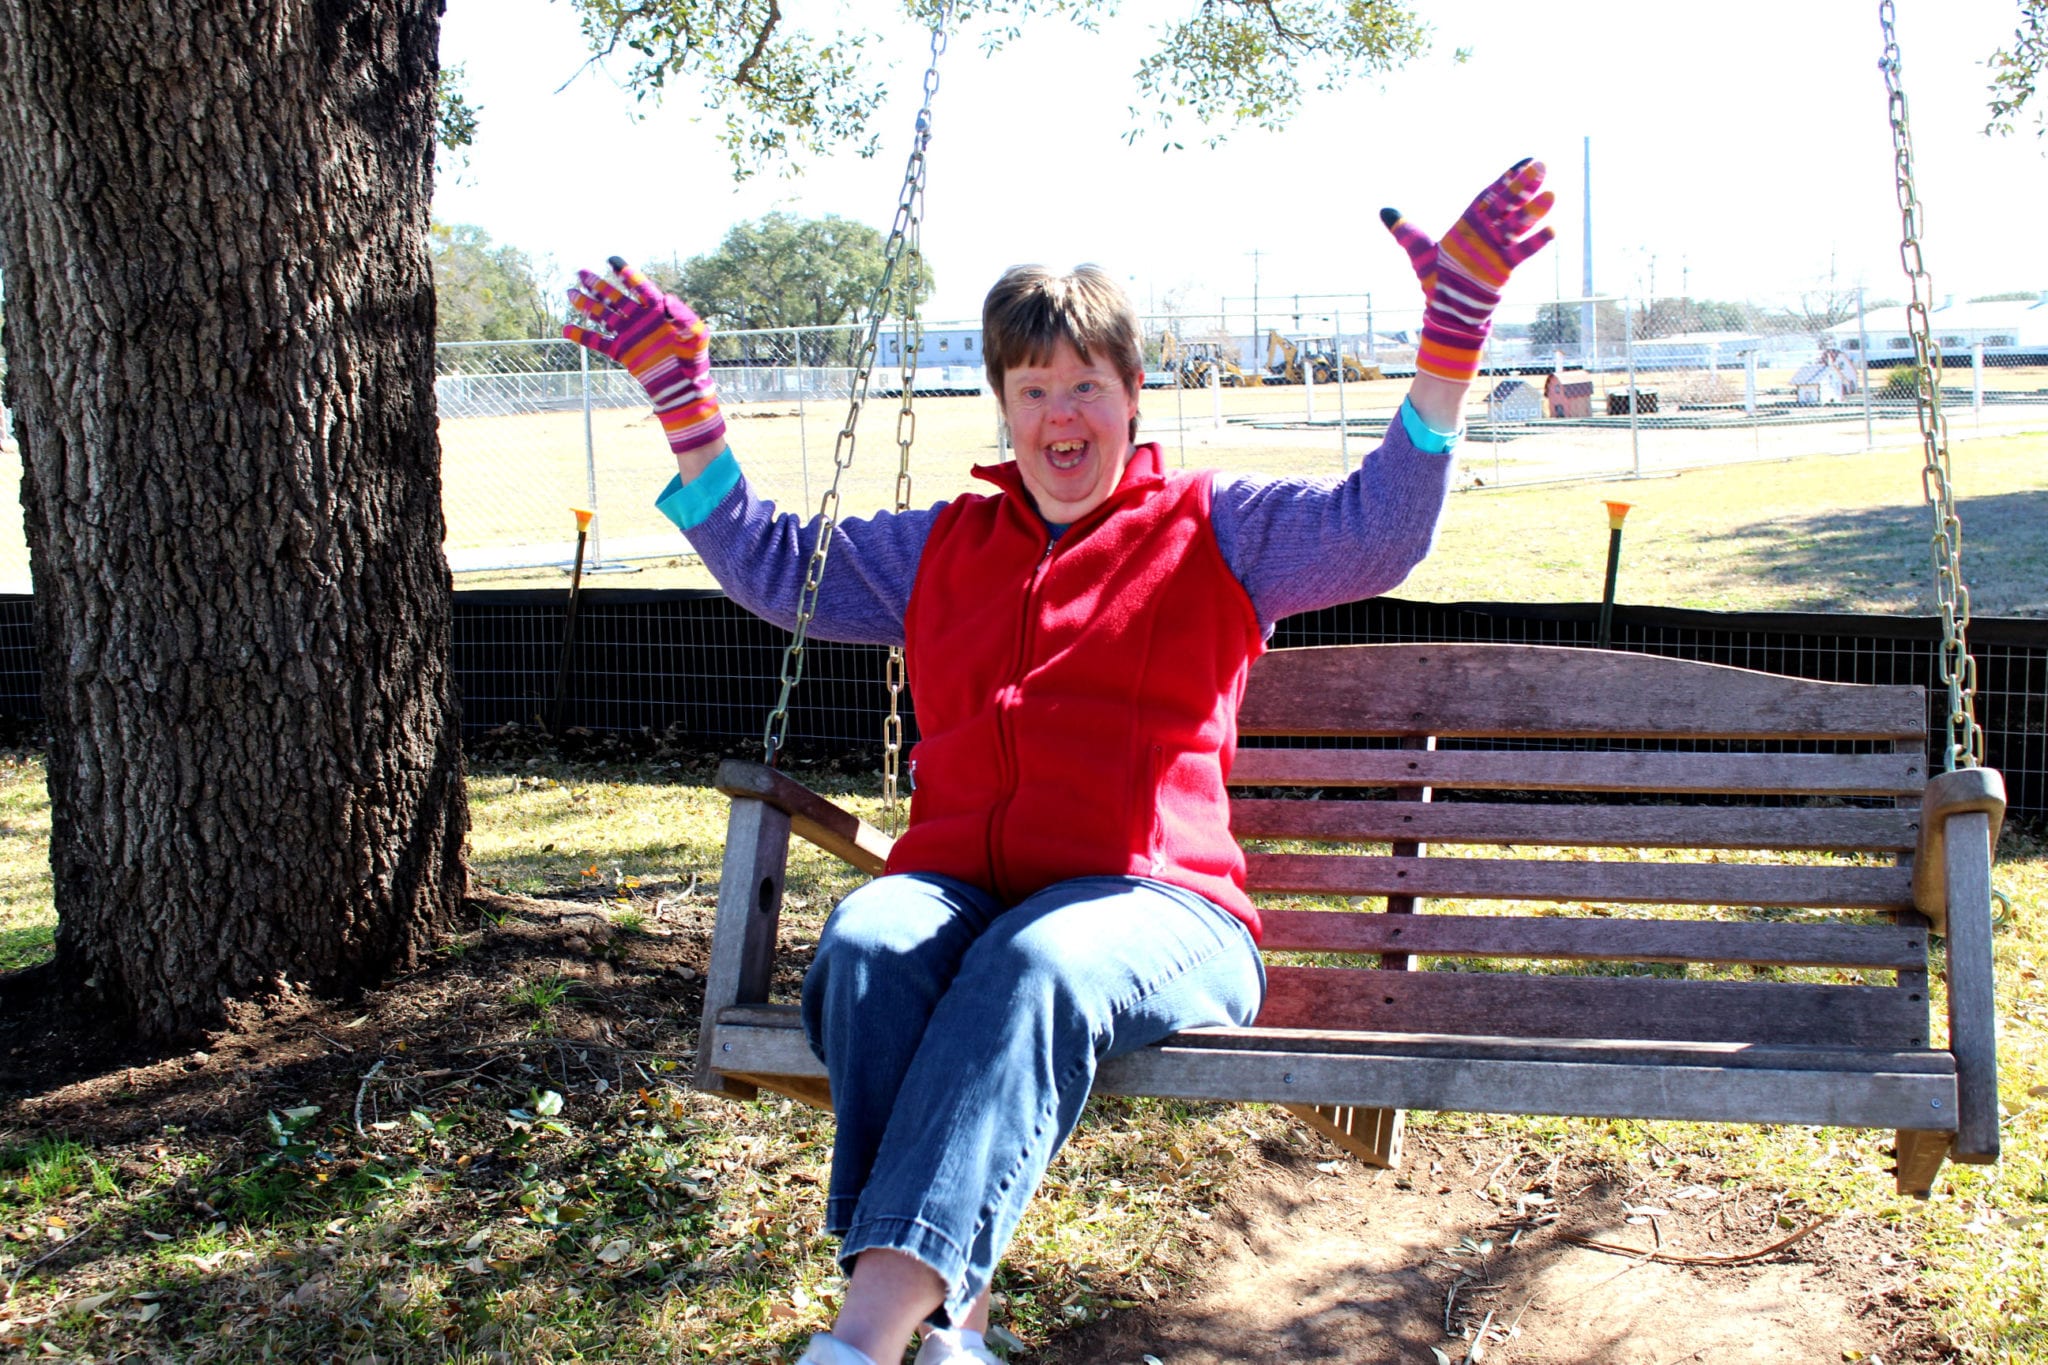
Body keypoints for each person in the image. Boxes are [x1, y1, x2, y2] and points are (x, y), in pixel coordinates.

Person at [565, 159, 1554, 1365]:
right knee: (870, 948)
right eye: (1031, 388)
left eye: (1084, 383)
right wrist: (684, 405)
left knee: (1035, 959)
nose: (1059, 416)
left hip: (1162, 911)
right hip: (962, 895)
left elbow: (1377, 531)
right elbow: (781, 571)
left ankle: (862, 1339)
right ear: (1002, 405)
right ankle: (952, 1335)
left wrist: (1448, 345)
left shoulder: (1216, 530)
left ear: (1132, 396)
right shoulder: (944, 545)